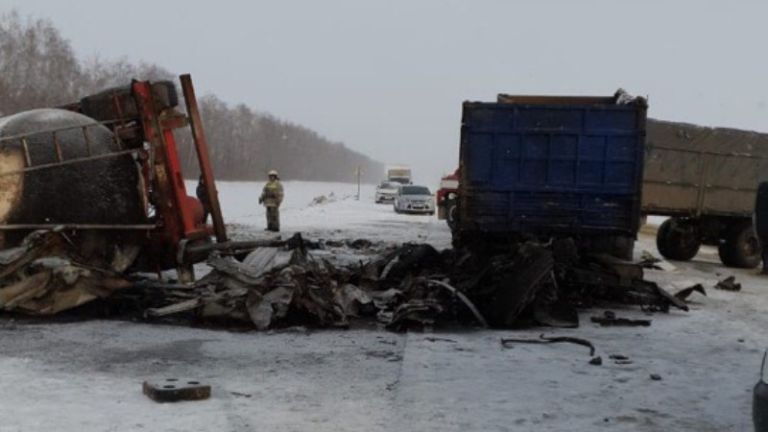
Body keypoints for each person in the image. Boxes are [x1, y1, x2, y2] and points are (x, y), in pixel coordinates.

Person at [756, 181, 768, 274]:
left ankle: (765, 267)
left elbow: (756, 208)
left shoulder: (762, 187)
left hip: (761, 224)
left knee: (765, 246)